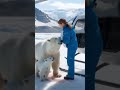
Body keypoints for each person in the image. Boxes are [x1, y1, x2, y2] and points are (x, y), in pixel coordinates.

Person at [86, 0, 103, 90]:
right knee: (89, 76)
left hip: (92, 49)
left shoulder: (88, 14)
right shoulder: (89, 12)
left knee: (88, 76)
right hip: (95, 47)